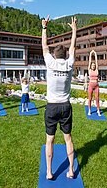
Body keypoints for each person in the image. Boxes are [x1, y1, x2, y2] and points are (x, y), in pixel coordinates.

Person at [42, 15, 77, 180]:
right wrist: (74, 30)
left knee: (50, 140)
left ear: (55, 55)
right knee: (68, 139)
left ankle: (49, 172)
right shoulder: (69, 64)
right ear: (65, 55)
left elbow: (44, 46)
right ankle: (71, 170)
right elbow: (73, 47)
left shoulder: (50, 63)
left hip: (52, 106)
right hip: (65, 106)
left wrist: (44, 27)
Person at [87, 50, 101, 116]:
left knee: (97, 98)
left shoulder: (97, 70)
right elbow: (89, 62)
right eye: (92, 65)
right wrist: (90, 54)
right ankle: (89, 110)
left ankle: (98, 110)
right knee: (90, 99)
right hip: (90, 86)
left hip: (96, 86)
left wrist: (95, 54)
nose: (93, 66)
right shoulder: (89, 70)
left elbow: (97, 62)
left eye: (94, 65)